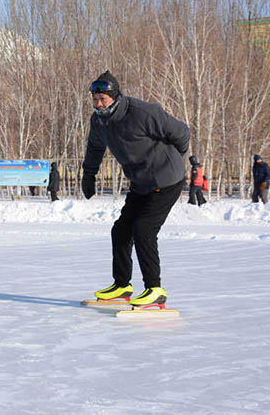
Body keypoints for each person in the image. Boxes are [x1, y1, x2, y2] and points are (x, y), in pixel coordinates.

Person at [81, 71, 190, 307]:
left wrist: (171, 161)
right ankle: (122, 286)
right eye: (95, 100)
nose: (99, 104)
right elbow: (94, 148)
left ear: (115, 96)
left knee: (144, 229)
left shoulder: (142, 113)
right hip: (141, 183)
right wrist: (88, 174)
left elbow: (181, 133)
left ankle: (155, 289)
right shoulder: (99, 121)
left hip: (166, 180)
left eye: (103, 99)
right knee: (121, 230)